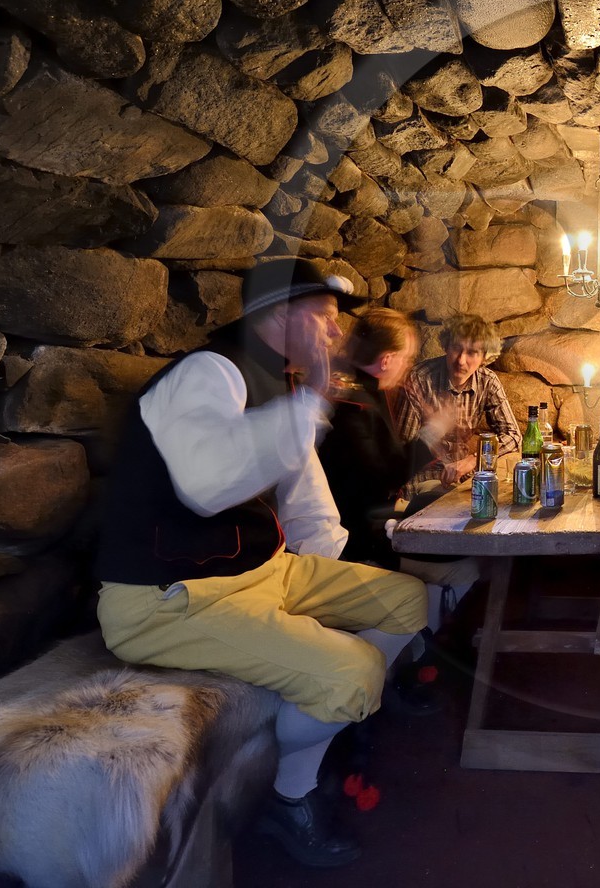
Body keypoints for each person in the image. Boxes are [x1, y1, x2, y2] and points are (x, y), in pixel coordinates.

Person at [92, 259, 430, 869]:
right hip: (167, 598)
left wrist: (337, 567)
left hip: (257, 572)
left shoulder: (279, 383)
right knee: (352, 674)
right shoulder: (207, 371)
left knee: (405, 599)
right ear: (278, 314)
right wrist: (312, 399)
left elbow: (304, 495)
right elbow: (209, 485)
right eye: (324, 316)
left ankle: (330, 715)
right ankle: (289, 793)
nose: (336, 332)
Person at [320, 308, 483, 647]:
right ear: (386, 360)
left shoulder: (362, 391)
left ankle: (421, 645)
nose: (408, 366)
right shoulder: (354, 406)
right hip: (360, 535)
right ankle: (417, 652)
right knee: (467, 567)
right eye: (406, 358)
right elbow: (383, 477)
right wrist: (433, 430)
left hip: (372, 518)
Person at [401, 313, 520, 488]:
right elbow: (405, 450)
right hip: (424, 478)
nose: (461, 360)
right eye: (456, 348)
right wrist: (435, 428)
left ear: (484, 357)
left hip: (464, 476)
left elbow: (513, 435)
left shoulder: (487, 381)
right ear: (446, 346)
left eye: (472, 352)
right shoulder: (420, 378)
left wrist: (475, 459)